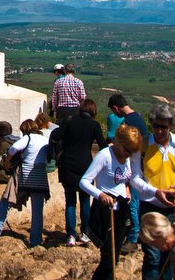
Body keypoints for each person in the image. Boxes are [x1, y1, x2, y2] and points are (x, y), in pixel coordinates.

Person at [136, 103, 175, 280]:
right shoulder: (143, 145)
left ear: (171, 126)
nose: (159, 131)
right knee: (152, 256)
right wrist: (155, 192)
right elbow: (134, 177)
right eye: (155, 126)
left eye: (163, 127)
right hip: (150, 206)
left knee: (170, 255)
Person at [78, 124, 145, 280]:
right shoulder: (105, 155)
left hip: (121, 209)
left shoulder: (130, 158)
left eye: (131, 152)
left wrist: (127, 189)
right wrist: (100, 194)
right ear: (118, 142)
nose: (128, 154)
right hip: (105, 210)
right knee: (108, 259)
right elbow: (84, 181)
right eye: (126, 150)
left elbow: (129, 179)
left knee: (114, 258)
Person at [50, 98, 105, 246]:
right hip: (86, 166)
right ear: (93, 111)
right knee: (85, 200)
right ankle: (86, 232)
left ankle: (71, 235)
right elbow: (103, 145)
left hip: (68, 164)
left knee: (70, 201)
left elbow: (56, 136)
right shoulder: (94, 125)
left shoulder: (70, 121)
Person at [0, 118, 51, 247]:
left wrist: (7, 163)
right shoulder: (45, 139)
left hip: (25, 176)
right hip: (40, 177)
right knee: (37, 211)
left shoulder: (28, 138)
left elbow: (13, 149)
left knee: (6, 200)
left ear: (26, 130)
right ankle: (36, 240)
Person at [107, 93, 151, 251]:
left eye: (114, 111)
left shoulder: (129, 122)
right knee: (136, 202)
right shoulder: (138, 117)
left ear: (116, 108)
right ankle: (136, 233)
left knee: (132, 203)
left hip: (133, 167)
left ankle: (133, 238)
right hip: (141, 165)